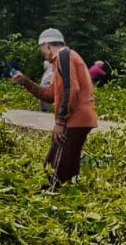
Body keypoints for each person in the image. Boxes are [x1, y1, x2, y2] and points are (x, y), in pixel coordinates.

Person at [12, 28, 98, 187]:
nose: (42, 53)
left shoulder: (64, 56)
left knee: (54, 167)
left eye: (42, 48)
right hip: (80, 119)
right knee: (68, 164)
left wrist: (60, 122)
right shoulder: (61, 61)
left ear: (47, 45)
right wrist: (26, 82)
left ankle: (50, 194)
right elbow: (50, 95)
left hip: (74, 119)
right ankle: (69, 194)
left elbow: (71, 90)